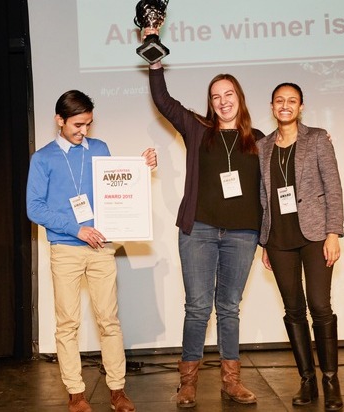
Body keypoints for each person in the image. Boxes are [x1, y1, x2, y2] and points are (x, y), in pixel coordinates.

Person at [144, 29, 263, 408]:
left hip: (243, 234)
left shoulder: (259, 140)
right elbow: (164, 101)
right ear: (210, 103)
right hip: (199, 231)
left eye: (229, 94)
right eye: (216, 96)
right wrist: (155, 60)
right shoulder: (198, 129)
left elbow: (274, 185)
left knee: (229, 308)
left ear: (239, 98)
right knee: (197, 308)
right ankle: (188, 384)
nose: (223, 101)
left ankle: (231, 382)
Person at [26, 90, 157, 412]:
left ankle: (117, 390)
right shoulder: (42, 158)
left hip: (101, 248)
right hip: (65, 249)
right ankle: (76, 393)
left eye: (88, 124)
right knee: (67, 324)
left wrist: (142, 168)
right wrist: (76, 229)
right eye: (78, 125)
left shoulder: (100, 149)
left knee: (108, 320)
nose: (84, 130)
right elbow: (34, 208)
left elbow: (117, 187)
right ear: (59, 120)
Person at [257, 82, 344, 411]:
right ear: (272, 106)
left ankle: (331, 381)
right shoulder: (263, 146)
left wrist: (333, 232)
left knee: (320, 306)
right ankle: (307, 380)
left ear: (301, 106)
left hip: (316, 235)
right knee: (293, 310)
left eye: (291, 101)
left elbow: (333, 187)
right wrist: (264, 242)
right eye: (279, 100)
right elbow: (262, 197)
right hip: (278, 239)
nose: (285, 105)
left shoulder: (318, 139)